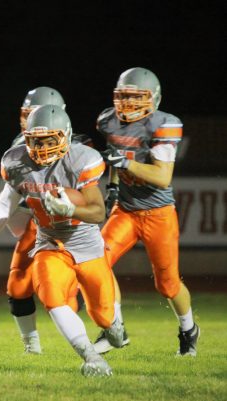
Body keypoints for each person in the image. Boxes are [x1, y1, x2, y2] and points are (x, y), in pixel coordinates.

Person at [0, 105, 124, 376]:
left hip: (86, 244)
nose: (41, 147)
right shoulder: (16, 161)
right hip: (49, 242)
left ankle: (114, 326)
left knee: (104, 316)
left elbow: (98, 211)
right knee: (52, 296)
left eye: (49, 140)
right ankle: (91, 358)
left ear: (65, 137)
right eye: (35, 140)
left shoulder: (82, 159)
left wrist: (70, 210)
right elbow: (6, 203)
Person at [0, 86, 84, 355]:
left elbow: (85, 198)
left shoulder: (78, 150)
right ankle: (32, 348)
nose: (30, 120)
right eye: (27, 113)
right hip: (34, 223)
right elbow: (12, 191)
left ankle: (103, 330)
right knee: (17, 285)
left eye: (36, 113)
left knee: (65, 292)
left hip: (67, 227)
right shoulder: (20, 145)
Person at [94, 67, 199, 356]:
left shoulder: (164, 125)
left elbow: (163, 177)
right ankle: (115, 327)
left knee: (167, 284)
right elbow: (116, 156)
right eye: (124, 97)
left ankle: (188, 329)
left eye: (135, 98)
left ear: (154, 100)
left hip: (158, 212)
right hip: (125, 210)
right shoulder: (109, 121)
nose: (127, 104)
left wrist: (125, 164)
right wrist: (113, 186)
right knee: (95, 261)